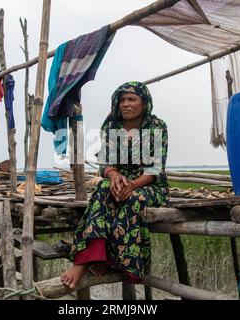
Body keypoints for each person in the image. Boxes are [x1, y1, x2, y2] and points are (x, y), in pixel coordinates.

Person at [61, 81, 169, 289]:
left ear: (144, 103)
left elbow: (154, 170)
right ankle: (89, 258)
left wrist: (132, 185)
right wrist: (113, 176)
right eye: (122, 100)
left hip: (148, 185)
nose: (125, 104)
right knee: (101, 190)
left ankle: (117, 261)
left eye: (132, 99)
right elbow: (105, 162)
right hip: (118, 181)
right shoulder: (112, 125)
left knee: (133, 201)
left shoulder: (156, 126)